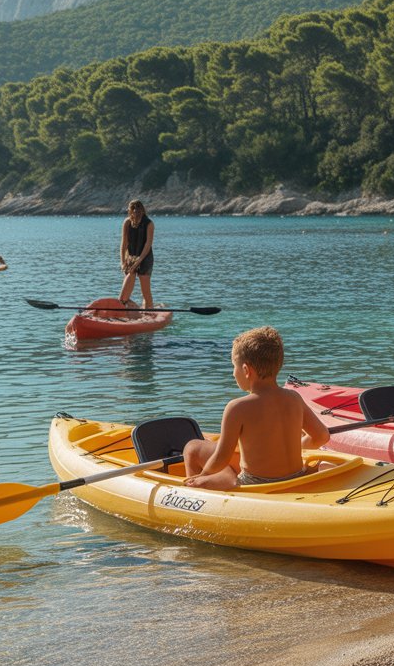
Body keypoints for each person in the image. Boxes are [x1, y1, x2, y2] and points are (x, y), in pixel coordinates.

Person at [183, 326, 331, 490]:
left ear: (246, 370)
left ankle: (195, 497)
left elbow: (221, 458)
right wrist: (293, 447)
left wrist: (203, 476)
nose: (233, 373)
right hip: (296, 477)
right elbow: (321, 436)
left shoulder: (237, 408)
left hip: (256, 483)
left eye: (234, 366)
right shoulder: (294, 398)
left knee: (193, 448)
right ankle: (224, 478)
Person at [119, 199, 154, 309]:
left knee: (145, 293)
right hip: (131, 258)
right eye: (133, 208)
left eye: (138, 208)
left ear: (142, 210)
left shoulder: (149, 224)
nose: (136, 210)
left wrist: (139, 261)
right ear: (129, 211)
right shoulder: (127, 223)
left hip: (145, 258)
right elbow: (124, 243)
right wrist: (123, 261)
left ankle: (149, 312)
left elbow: (148, 245)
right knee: (124, 295)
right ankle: (132, 309)